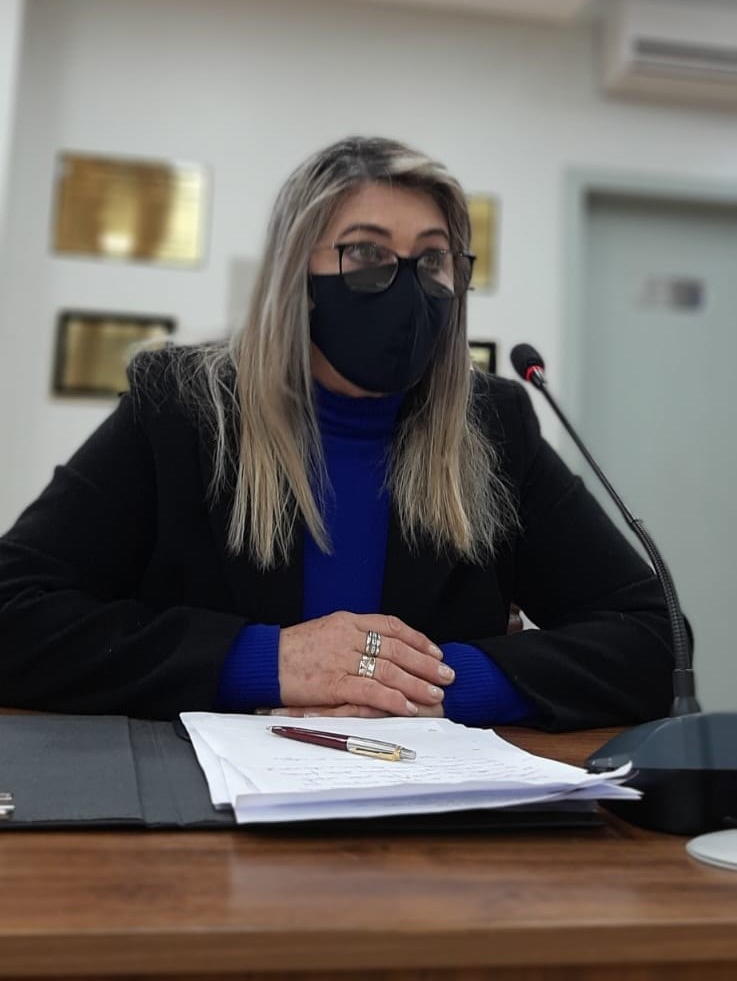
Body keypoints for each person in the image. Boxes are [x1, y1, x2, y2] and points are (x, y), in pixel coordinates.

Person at [0, 136, 675, 727]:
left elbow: (654, 637)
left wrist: (442, 686)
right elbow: (13, 610)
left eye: (432, 261)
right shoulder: (179, 408)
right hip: (201, 808)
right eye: (367, 253)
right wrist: (265, 662)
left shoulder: (494, 426)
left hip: (436, 808)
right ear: (297, 273)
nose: (406, 286)